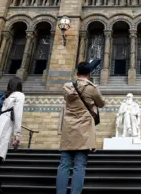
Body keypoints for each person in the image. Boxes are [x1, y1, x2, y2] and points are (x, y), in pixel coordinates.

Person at [56, 60, 106, 194]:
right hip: (84, 131)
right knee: (79, 165)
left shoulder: (66, 86)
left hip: (68, 129)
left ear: (77, 72)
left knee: (64, 164)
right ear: (89, 74)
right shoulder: (92, 88)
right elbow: (101, 103)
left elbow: (69, 100)